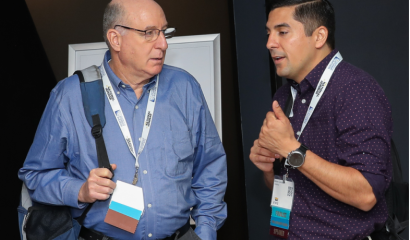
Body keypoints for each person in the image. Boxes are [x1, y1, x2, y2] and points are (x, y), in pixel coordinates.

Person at [18, 0, 227, 239]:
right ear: (115, 39)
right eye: (149, 33)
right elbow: (35, 175)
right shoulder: (69, 95)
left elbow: (210, 167)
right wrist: (80, 190)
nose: (163, 43)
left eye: (164, 32)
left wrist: (205, 232)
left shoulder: (185, 88)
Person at [250, 0, 393, 239]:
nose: (270, 43)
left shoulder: (355, 89)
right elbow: (289, 185)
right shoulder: (284, 95)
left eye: (282, 32)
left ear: (319, 37)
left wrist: (290, 148)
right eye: (269, 33)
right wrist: (268, 168)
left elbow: (366, 194)